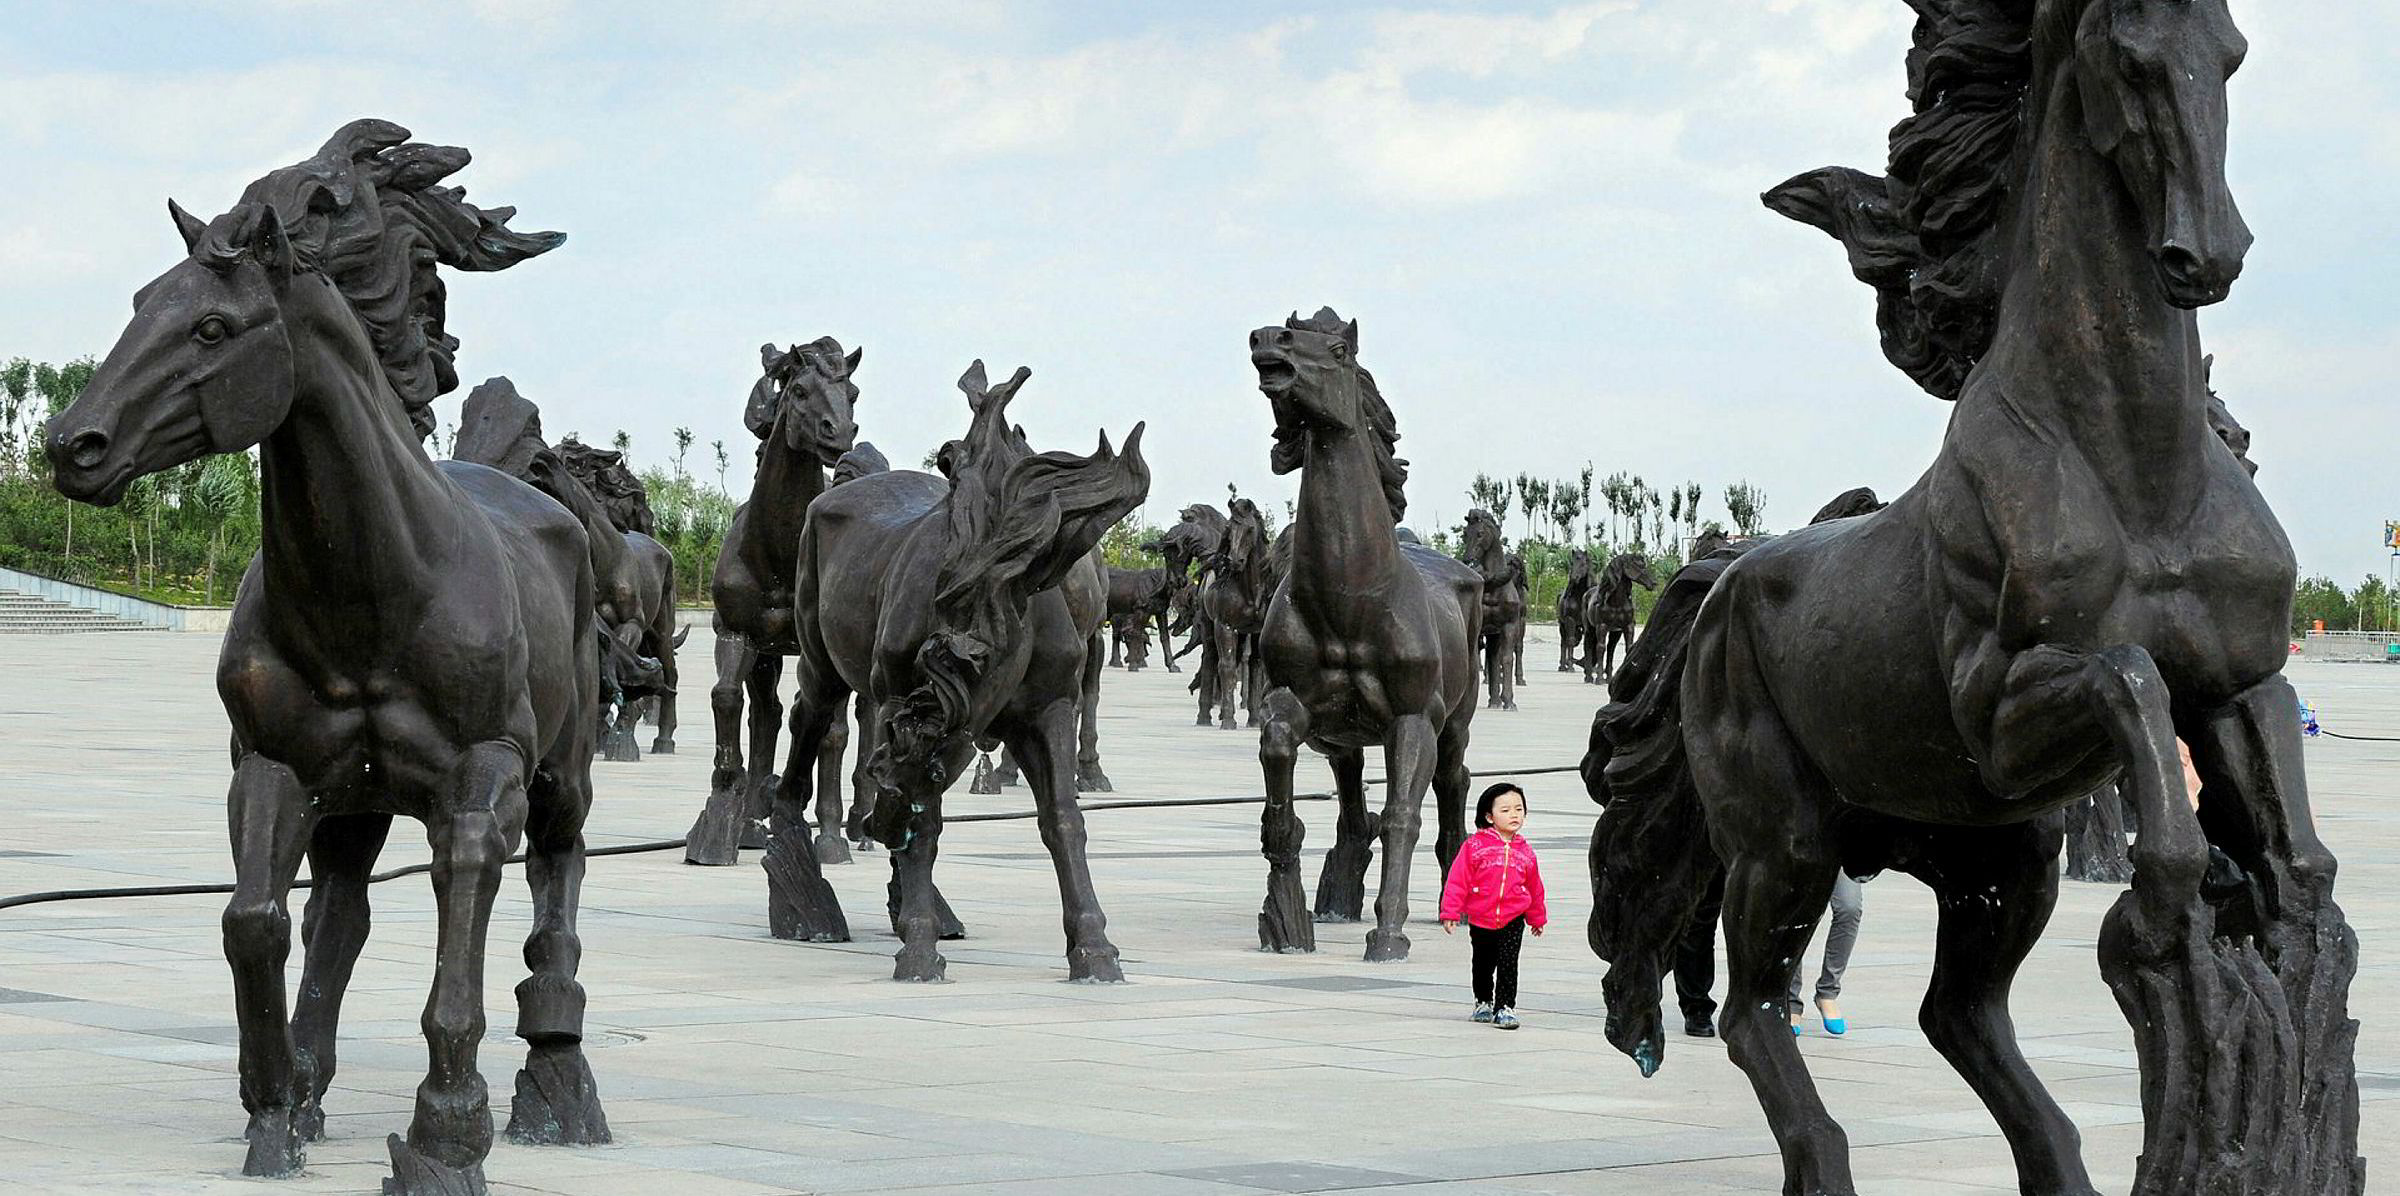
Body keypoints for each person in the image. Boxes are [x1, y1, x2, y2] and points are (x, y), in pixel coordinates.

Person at [1440, 783, 1548, 1030]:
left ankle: (1505, 1007)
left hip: (1513, 917)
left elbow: (1534, 887)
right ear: (1489, 816)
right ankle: (1483, 1001)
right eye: (1506, 810)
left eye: (1519, 809)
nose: (1514, 815)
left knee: (1509, 962)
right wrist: (1451, 912)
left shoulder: (1526, 852)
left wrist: (1537, 918)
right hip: (1481, 917)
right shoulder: (1475, 846)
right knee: (1483, 963)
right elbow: (1458, 880)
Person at [1787, 873, 1865, 1036]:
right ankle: (1790, 1001)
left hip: (1842, 851)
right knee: (1795, 911)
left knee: (1849, 908)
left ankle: (1827, 992)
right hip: (1799, 850)